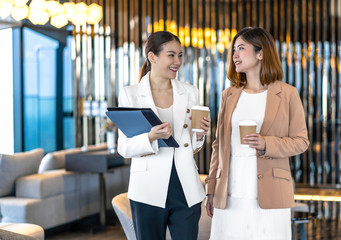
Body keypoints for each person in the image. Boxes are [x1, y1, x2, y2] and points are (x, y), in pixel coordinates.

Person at [205, 27, 310, 239]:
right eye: (234, 49)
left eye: (241, 48)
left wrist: (266, 144)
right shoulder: (229, 95)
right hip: (230, 193)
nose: (234, 54)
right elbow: (219, 146)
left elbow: (301, 141)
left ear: (260, 53)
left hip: (270, 195)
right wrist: (211, 189)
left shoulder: (287, 93)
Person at [117, 31, 210, 240]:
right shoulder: (130, 94)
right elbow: (124, 148)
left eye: (180, 55)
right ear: (152, 57)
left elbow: (192, 146)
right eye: (171, 55)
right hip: (147, 189)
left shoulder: (190, 91)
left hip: (186, 187)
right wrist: (150, 137)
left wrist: (200, 134)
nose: (177, 61)